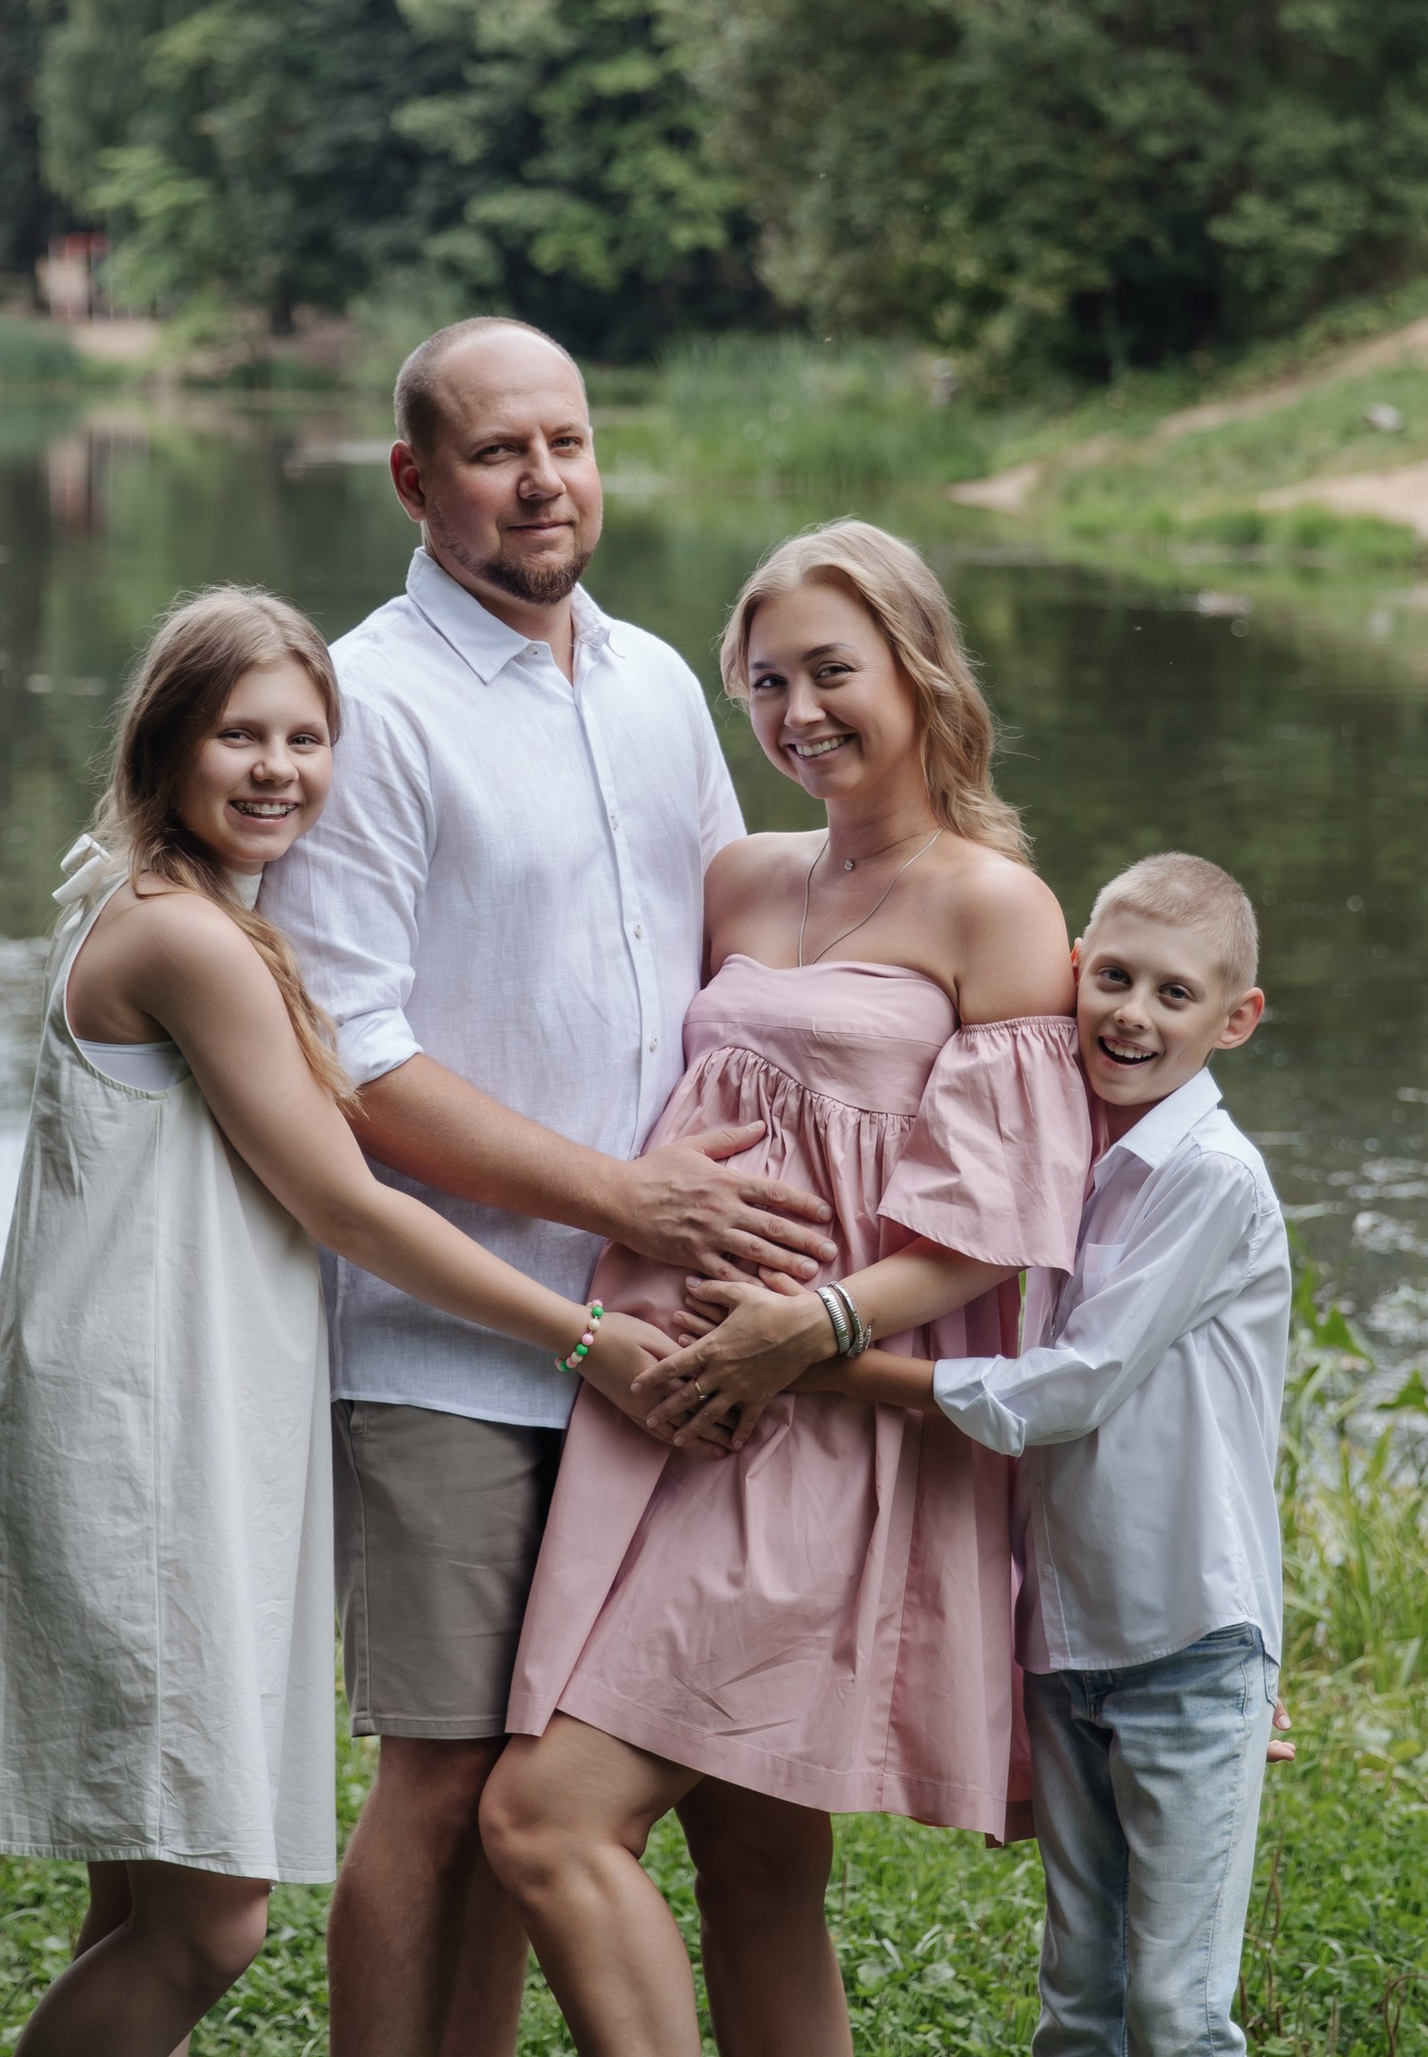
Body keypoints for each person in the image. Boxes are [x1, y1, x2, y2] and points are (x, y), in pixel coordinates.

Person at [0, 587, 679, 2057]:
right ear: (164, 746)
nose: (278, 769)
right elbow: (350, 1205)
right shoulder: (185, 941)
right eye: (239, 737)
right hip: (150, 1452)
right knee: (213, 1924)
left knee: (140, 1902)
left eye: (306, 738)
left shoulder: (165, 902)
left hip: (168, 1423)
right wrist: (583, 1336)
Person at [257, 321, 837, 2057]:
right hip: (452, 1337)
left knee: (555, 1787)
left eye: (567, 443)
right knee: (442, 1780)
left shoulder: (663, 680)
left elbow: (749, 941)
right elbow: (350, 1059)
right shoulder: (369, 705)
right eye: (499, 452)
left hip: (661, 1342)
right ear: (414, 479)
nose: (543, 481)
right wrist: (620, 1198)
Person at [481, 519, 1096, 2057]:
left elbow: (1004, 1219)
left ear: (920, 669)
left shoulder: (994, 907)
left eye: (835, 671)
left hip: (823, 1431)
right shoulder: (742, 881)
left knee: (545, 1822)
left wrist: (811, 1327)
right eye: (766, 684)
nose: (799, 712)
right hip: (669, 1403)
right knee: (757, 1864)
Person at [799, 851, 1290, 2057]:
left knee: (1175, 2009)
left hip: (1184, 1635)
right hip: (1069, 1638)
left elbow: (1069, 1390)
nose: (1131, 1013)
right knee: (1079, 1996)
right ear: (1070, 970)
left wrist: (835, 1358)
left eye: (1174, 994)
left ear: (1236, 1019)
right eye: (1112, 977)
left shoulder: (1207, 1178)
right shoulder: (1066, 1155)